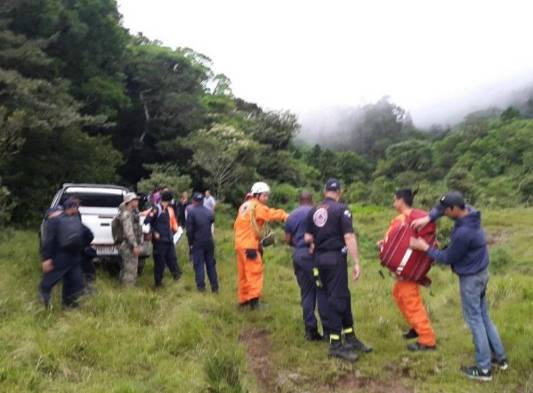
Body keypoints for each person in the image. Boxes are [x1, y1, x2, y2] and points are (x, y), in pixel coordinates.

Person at [410, 191, 508, 381]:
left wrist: (424, 248)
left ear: (455, 209)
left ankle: (484, 369)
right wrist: (428, 218)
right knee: (484, 316)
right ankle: (500, 359)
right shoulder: (469, 211)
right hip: (481, 272)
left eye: (446, 211)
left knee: (475, 320)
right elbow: (440, 210)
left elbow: (447, 258)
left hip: (471, 279)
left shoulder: (464, 233)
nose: (444, 213)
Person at [304, 179, 371, 362]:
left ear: (325, 191)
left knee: (340, 296)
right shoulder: (342, 209)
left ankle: (350, 336)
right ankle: (336, 344)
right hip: (335, 260)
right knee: (337, 298)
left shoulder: (314, 210)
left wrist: (318, 242)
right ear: (339, 192)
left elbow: (308, 237)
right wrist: (356, 262)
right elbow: (348, 236)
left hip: (319, 259)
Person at [377, 189, 437, 351]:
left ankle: (427, 339)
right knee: (399, 295)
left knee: (411, 302)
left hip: (406, 270)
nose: (393, 203)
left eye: (394, 199)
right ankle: (416, 328)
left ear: (401, 200)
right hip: (411, 267)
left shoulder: (402, 219)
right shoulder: (418, 219)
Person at [234, 182, 288, 310]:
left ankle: (244, 300)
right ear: (257, 195)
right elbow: (270, 214)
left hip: (240, 244)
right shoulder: (257, 206)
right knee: (254, 272)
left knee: (243, 273)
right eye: (264, 196)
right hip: (249, 245)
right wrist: (286, 216)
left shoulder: (245, 205)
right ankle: (254, 302)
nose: (266, 198)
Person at [285, 191, 329, 341]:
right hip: (312, 255)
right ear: (311, 200)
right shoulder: (316, 212)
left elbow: (288, 239)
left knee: (306, 292)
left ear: (300, 201)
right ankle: (329, 330)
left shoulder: (291, 215)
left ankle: (310, 330)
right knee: (322, 289)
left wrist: (299, 246)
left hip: (298, 256)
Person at [39, 198, 92, 308]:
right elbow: (89, 235)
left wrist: (46, 258)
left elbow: (48, 241)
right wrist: (81, 246)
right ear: (73, 208)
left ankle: (43, 306)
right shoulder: (76, 220)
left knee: (48, 283)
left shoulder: (53, 220)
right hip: (74, 258)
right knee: (73, 283)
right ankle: (69, 306)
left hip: (57, 258)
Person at [145, 191, 182, 287]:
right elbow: (147, 222)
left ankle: (177, 277)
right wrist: (154, 232)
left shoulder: (169, 209)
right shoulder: (156, 209)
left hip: (169, 239)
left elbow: (172, 223)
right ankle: (158, 283)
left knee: (172, 259)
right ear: (169, 200)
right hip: (159, 241)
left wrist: (176, 230)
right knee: (159, 262)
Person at [187, 192, 218, 292]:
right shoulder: (209, 212)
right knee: (211, 264)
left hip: (197, 241)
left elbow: (189, 230)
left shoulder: (191, 212)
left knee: (199, 265)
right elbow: (212, 220)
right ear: (203, 201)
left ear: (193, 201)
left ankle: (201, 288)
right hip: (209, 241)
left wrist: (190, 243)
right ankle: (215, 287)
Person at [118, 193, 144, 287]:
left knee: (126, 268)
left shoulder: (132, 212)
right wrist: (135, 245)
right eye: (135, 200)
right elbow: (128, 232)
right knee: (130, 270)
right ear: (129, 202)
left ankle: (122, 289)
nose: (137, 202)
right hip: (128, 245)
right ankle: (128, 292)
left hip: (128, 244)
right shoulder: (126, 214)